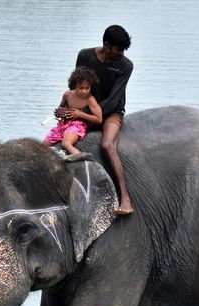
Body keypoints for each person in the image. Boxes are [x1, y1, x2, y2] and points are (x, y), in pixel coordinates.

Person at [56, 25, 134, 216]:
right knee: (59, 139)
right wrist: (65, 110)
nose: (121, 54)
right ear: (106, 45)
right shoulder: (85, 56)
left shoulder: (125, 65)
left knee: (107, 145)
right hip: (84, 110)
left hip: (111, 113)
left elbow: (115, 99)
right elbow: (75, 87)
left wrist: (87, 116)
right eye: (118, 49)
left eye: (123, 50)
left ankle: (125, 198)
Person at [44, 66, 103, 156]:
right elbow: (60, 109)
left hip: (77, 125)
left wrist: (80, 114)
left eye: (87, 88)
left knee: (66, 143)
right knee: (43, 146)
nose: (84, 91)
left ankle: (83, 158)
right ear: (75, 85)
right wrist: (59, 113)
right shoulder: (68, 95)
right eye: (81, 88)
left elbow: (99, 119)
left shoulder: (90, 99)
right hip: (62, 125)